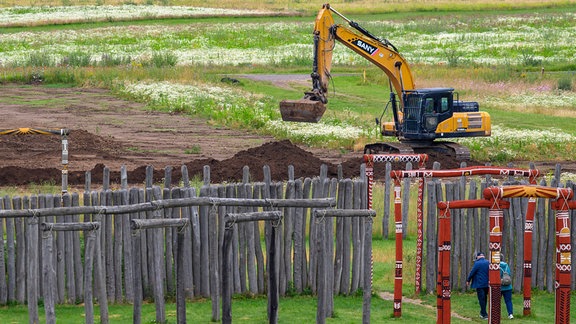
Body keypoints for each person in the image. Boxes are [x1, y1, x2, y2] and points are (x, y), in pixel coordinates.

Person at [467, 252, 490, 319]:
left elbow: (472, 272)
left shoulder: (477, 263)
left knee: (481, 299)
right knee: (485, 298)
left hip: (479, 284)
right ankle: (482, 312)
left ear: (477, 257)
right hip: (486, 284)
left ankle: (484, 314)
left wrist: (468, 280)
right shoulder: (488, 262)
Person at [500, 254, 514, 319]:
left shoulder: (496, 266)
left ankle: (496, 314)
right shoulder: (506, 265)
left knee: (496, 301)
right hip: (508, 286)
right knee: (508, 301)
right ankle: (510, 314)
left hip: (499, 287)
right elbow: (509, 274)